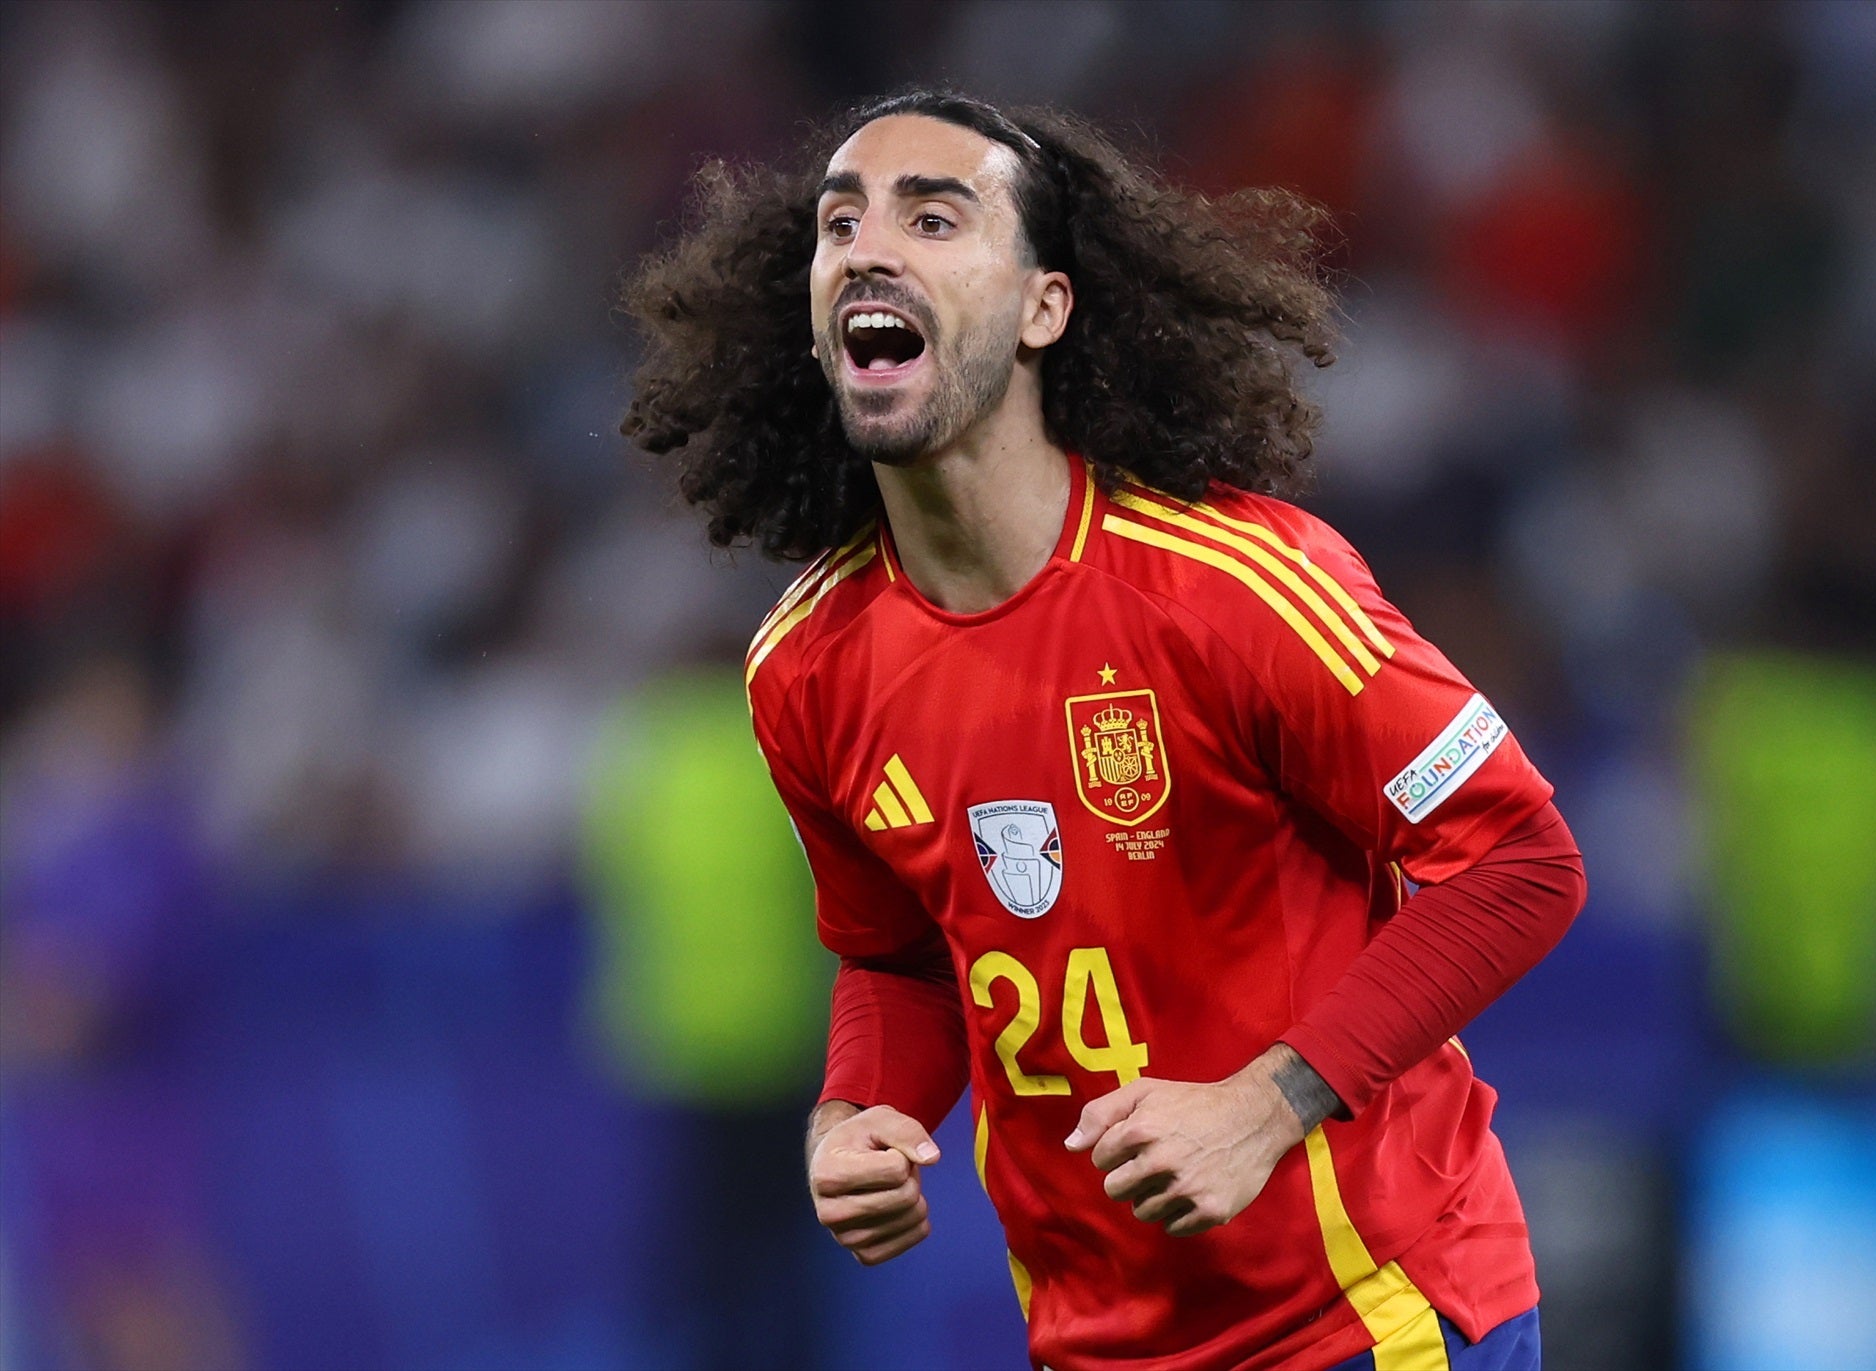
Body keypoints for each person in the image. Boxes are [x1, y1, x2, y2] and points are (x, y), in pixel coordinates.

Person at [621, 89, 1585, 1371]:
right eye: (839, 222)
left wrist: (1266, 1103)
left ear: (1044, 307)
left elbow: (1521, 860)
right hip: (1091, 1341)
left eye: (935, 215)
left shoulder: (1237, 589)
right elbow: (897, 955)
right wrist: (856, 1115)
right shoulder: (807, 665)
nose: (867, 245)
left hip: (1367, 1316)